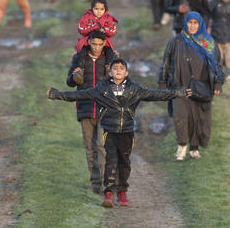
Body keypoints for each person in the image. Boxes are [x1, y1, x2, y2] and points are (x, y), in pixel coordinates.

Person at [47, 58, 189, 207]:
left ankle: (122, 192)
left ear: (126, 72)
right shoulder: (101, 89)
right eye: (115, 68)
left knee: (124, 163)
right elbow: (79, 95)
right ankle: (109, 194)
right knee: (111, 161)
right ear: (110, 72)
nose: (118, 71)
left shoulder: (135, 89)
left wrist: (178, 93)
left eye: (121, 68)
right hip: (109, 131)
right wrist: (57, 95)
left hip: (127, 132)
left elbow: (156, 94)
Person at [158, 11, 225, 161]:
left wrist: (218, 83)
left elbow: (217, 64)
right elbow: (166, 63)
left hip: (202, 87)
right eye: (190, 22)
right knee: (180, 117)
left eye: (195, 23)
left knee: (198, 119)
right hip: (179, 86)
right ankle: (181, 147)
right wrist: (162, 83)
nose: (192, 26)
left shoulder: (208, 43)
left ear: (200, 24)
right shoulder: (175, 41)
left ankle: (194, 148)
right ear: (185, 23)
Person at [65, 31, 117, 194]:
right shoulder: (79, 59)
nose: (96, 47)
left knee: (101, 146)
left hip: (105, 109)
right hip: (85, 107)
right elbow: (69, 82)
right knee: (89, 147)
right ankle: (94, 183)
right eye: (94, 44)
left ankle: (103, 182)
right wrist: (74, 78)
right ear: (88, 42)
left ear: (104, 44)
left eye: (100, 44)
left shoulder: (110, 60)